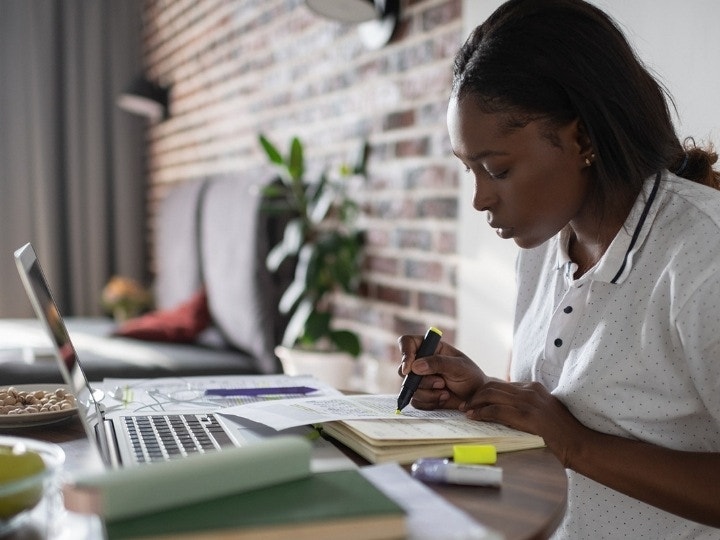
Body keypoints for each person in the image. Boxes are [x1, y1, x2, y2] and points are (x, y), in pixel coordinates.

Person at [398, 0, 720, 538]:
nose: (479, 199)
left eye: (497, 169)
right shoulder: (545, 244)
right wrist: (485, 394)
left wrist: (576, 444)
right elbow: (555, 412)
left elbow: (569, 437)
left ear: (583, 138)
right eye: (469, 169)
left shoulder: (701, 257)